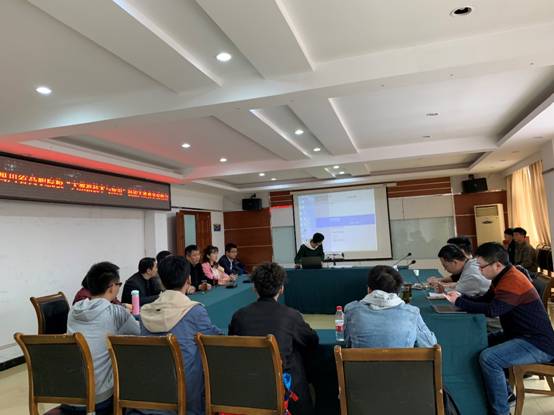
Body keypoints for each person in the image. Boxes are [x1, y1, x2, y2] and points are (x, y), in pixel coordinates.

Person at [445, 242, 554, 415]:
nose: (479, 270)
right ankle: (505, 394)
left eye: (481, 267)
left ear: (497, 265)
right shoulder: (502, 276)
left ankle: (501, 411)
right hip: (518, 335)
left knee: (489, 358)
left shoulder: (513, 280)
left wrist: (459, 302)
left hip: (537, 342)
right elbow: (487, 299)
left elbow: (493, 310)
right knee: (476, 343)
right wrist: (461, 298)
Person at [229, 263, 319, 415]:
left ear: (254, 288)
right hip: (283, 390)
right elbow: (312, 341)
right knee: (295, 355)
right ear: (281, 288)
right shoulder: (291, 315)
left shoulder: (239, 316)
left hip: (247, 386)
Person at [140, 255, 222, 415]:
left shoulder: (145, 312)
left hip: (150, 390)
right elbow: (215, 340)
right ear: (188, 280)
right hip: (186, 395)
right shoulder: (194, 311)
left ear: (161, 281)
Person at [67, 262, 140, 411]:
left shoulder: (73, 311)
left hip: (69, 396)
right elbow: (141, 335)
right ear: (112, 287)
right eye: (119, 284)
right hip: (99, 399)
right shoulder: (116, 313)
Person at [344, 265, 436, 348]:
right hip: (403, 362)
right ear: (398, 292)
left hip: (360, 362)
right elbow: (430, 344)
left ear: (369, 289)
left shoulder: (351, 310)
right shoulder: (412, 313)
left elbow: (346, 342)